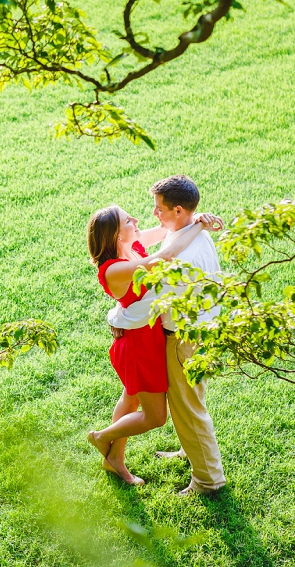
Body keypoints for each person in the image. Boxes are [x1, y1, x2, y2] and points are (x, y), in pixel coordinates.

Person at [85, 203, 221, 485]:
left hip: (147, 336)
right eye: (127, 220)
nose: (135, 220)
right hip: (137, 346)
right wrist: (198, 226)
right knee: (155, 416)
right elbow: (166, 255)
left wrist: (197, 217)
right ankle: (102, 437)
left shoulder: (130, 244)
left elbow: (167, 228)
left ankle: (114, 461)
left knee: (131, 397)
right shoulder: (114, 270)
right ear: (116, 236)